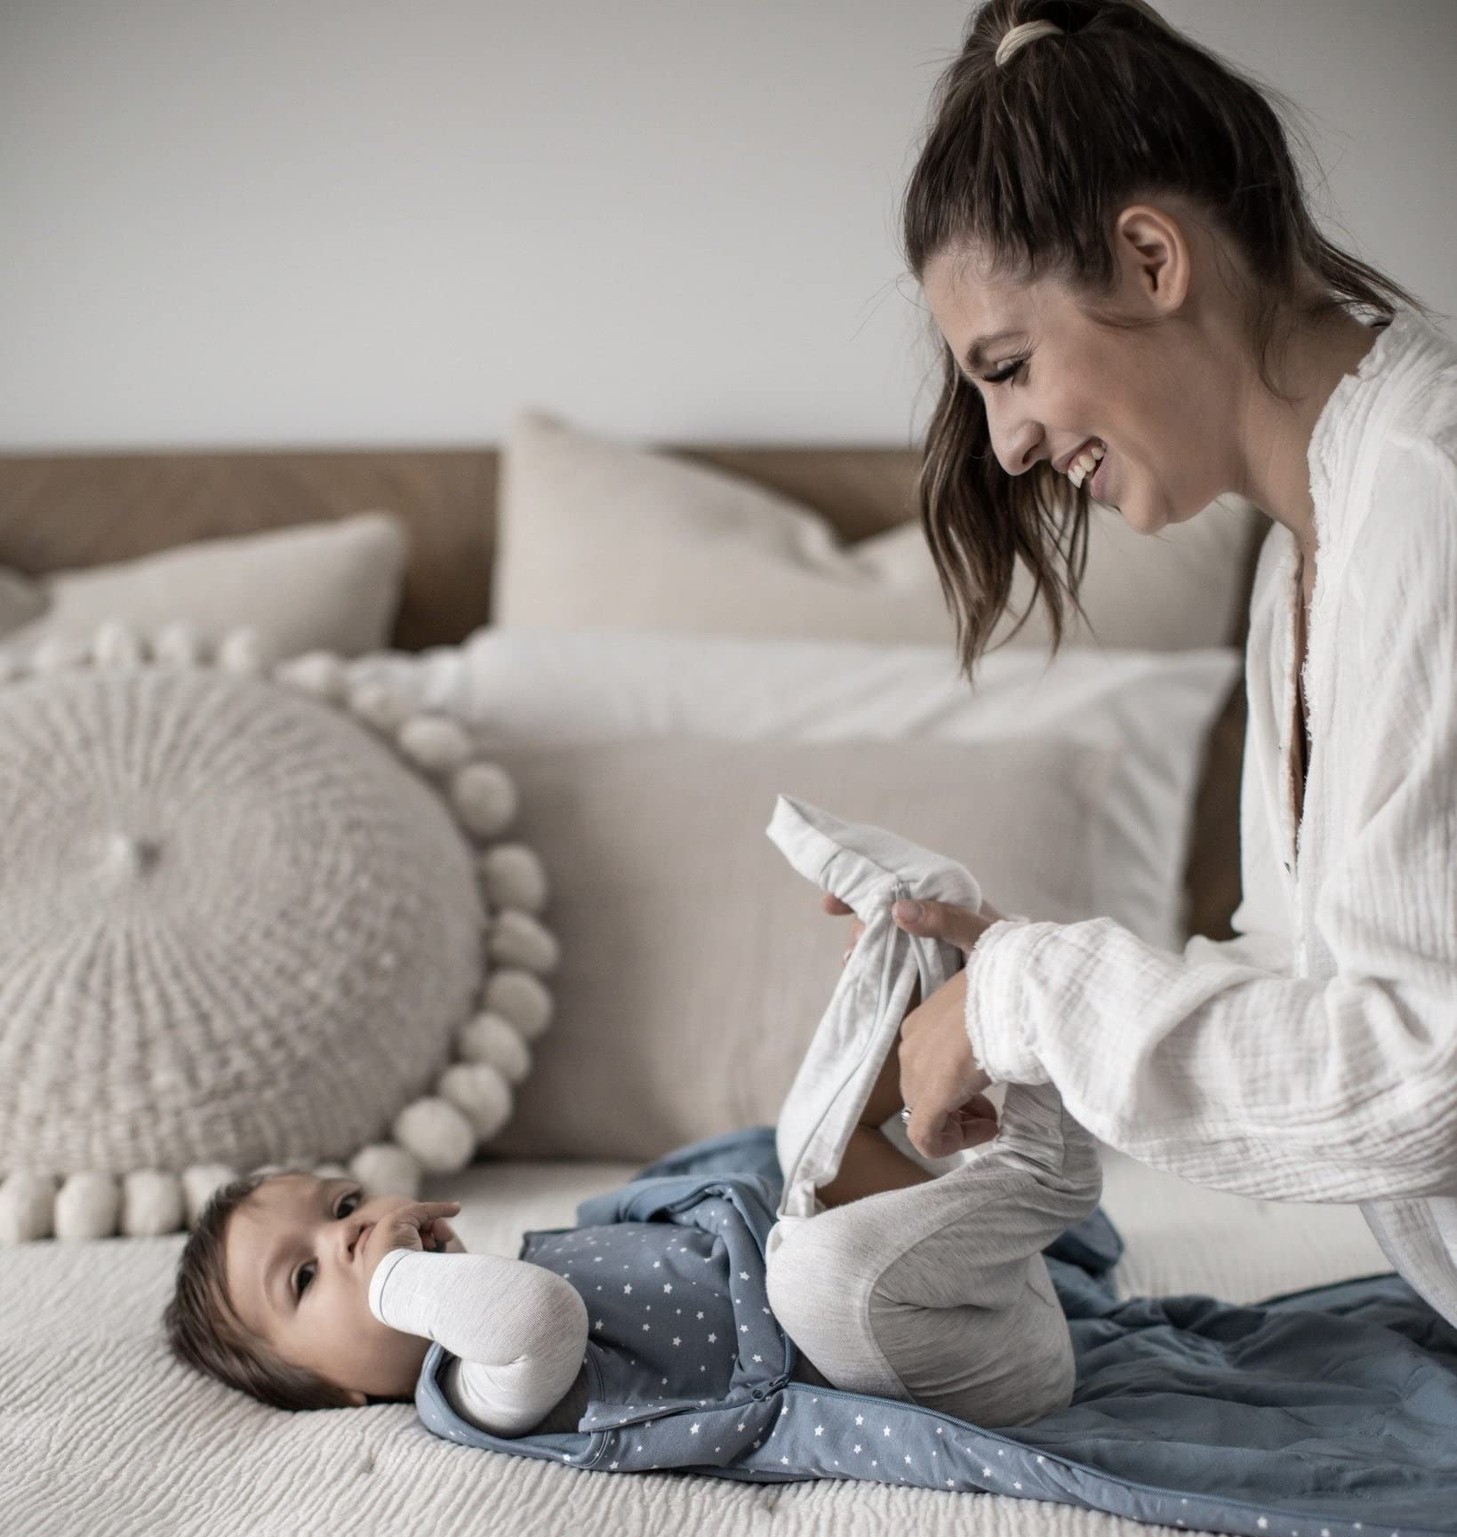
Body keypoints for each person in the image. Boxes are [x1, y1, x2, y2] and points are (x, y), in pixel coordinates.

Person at [835, 0, 1457, 1330]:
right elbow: (1311, 986)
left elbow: (1430, 1084)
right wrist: (1020, 974)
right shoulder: (1307, 551)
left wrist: (1033, 999)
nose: (1004, 443)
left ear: (1148, 256)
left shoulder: (1431, 495)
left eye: (1008, 366)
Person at [162, 800, 1102, 1436]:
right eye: (303, 1278)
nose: (349, 1236)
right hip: (963, 1378)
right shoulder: (471, 1393)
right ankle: (1044, 1157)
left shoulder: (537, 1255)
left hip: (940, 1307)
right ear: (338, 1391)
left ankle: (921, 946)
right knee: (814, 1274)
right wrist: (394, 1277)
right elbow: (533, 1321)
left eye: (342, 1206)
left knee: (810, 1146)